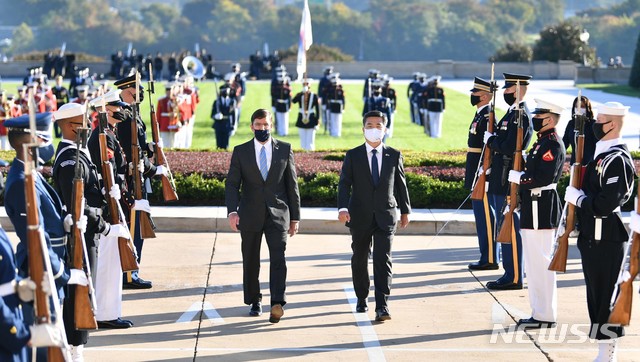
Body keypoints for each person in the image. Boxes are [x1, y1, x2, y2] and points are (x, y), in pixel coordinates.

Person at [567, 101, 634, 361]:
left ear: (613, 125)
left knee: (607, 296)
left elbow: (607, 203)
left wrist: (579, 200)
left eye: (600, 121)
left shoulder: (617, 159)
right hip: (592, 236)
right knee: (596, 295)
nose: (595, 125)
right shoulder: (602, 155)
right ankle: (603, 351)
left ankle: (609, 353)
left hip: (607, 236)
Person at [225, 108, 301, 323]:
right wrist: (232, 212)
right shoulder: (241, 151)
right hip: (249, 214)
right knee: (251, 260)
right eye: (258, 125)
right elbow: (232, 185)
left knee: (279, 258)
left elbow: (292, 186)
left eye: (266, 125)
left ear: (271, 126)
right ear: (252, 127)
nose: (262, 129)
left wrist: (295, 218)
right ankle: (254, 299)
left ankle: (277, 302)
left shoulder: (285, 149)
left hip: (278, 215)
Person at [337, 110, 411, 322]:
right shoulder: (353, 155)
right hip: (359, 216)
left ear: (385, 129)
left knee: (382, 258)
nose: (374, 129)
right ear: (363, 130)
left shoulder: (394, 155)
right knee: (360, 258)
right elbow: (344, 184)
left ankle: (382, 305)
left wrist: (405, 210)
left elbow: (400, 184)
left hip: (386, 216)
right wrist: (343, 208)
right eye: (370, 125)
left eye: (379, 125)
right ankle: (361, 297)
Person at [508, 99, 566, 329]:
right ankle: (538, 312)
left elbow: (542, 178)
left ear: (550, 120)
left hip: (542, 206)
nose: (536, 119)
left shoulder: (551, 145)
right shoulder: (541, 143)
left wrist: (519, 179)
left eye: (540, 116)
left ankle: (546, 314)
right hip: (533, 207)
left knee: (542, 263)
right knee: (533, 264)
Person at [87, 90, 139, 330]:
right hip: (108, 209)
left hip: (115, 204)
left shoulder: (108, 134)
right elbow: (106, 173)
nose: (121, 111)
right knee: (108, 262)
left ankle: (110, 310)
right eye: (116, 108)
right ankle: (105, 313)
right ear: (107, 110)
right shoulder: (101, 136)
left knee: (114, 261)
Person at [483, 73, 533, 290]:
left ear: (519, 90)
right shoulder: (511, 114)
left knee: (509, 226)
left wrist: (492, 140)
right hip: (499, 175)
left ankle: (514, 276)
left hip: (507, 178)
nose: (505, 92)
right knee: (503, 226)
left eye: (508, 89)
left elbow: (512, 145)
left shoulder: (521, 116)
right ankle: (509, 272)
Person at [114, 73, 164, 290]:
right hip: (133, 180)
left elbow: (139, 146)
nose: (141, 93)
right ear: (128, 91)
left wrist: (150, 149)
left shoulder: (131, 113)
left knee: (137, 227)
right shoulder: (125, 117)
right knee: (134, 227)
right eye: (138, 90)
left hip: (138, 177)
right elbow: (129, 151)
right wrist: (154, 170)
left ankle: (132, 271)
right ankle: (129, 273)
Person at [466, 77, 498, 271]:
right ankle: (485, 255)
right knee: (480, 215)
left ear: (485, 96)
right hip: (475, 169)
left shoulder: (487, 117)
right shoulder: (480, 115)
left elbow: (489, 148)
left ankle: (490, 257)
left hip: (482, 172)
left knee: (486, 215)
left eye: (475, 93)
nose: (472, 95)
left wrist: (484, 170)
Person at [563, 95, 597, 165]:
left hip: (589, 164)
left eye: (582, 106)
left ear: (587, 108)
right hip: (574, 164)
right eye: (576, 106)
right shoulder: (571, 123)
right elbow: (564, 143)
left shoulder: (593, 124)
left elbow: (598, 146)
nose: (579, 109)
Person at [292, 80, 320, 151]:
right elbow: (293, 101)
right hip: (301, 117)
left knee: (310, 139)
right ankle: (303, 152)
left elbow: (317, 109)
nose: (305, 86)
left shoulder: (314, 96)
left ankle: (310, 152)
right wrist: (301, 93)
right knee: (302, 139)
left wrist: (317, 121)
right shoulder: (300, 95)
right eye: (304, 84)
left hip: (311, 118)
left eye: (307, 84)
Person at [211, 86, 237, 150]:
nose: (225, 92)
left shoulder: (232, 101)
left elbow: (233, 115)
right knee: (218, 145)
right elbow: (212, 115)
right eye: (224, 91)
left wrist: (233, 126)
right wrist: (216, 116)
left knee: (226, 145)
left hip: (227, 125)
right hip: (218, 125)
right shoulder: (216, 102)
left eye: (227, 91)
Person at [324, 73, 345, 137]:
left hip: (339, 106)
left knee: (338, 120)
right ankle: (333, 132)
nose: (335, 85)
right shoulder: (330, 90)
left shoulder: (341, 90)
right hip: (332, 106)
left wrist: (343, 108)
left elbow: (343, 100)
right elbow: (328, 98)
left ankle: (338, 133)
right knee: (332, 120)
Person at [317, 66, 333, 131]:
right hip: (324, 98)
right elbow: (320, 89)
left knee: (329, 112)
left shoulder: (332, 79)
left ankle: (329, 124)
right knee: (323, 111)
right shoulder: (322, 79)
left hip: (329, 99)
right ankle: (324, 122)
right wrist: (320, 97)